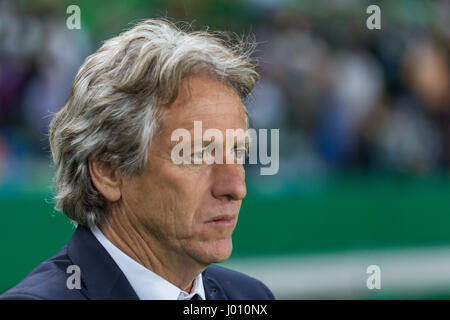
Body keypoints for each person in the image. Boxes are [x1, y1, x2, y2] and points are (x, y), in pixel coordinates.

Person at [0, 19, 274, 300]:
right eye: (199, 154)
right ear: (108, 171)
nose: (235, 187)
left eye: (238, 153)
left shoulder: (250, 297)